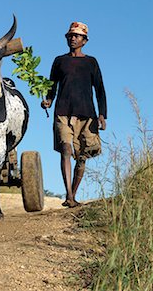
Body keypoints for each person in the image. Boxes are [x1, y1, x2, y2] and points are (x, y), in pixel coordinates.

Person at [41, 21, 107, 208]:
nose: (73, 38)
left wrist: (102, 115)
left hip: (87, 115)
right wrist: (48, 100)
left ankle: (74, 193)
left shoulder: (91, 62)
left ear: (85, 41)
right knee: (66, 150)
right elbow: (51, 85)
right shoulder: (59, 61)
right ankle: (68, 195)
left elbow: (100, 89)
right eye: (70, 35)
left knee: (83, 156)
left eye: (77, 36)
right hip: (63, 112)